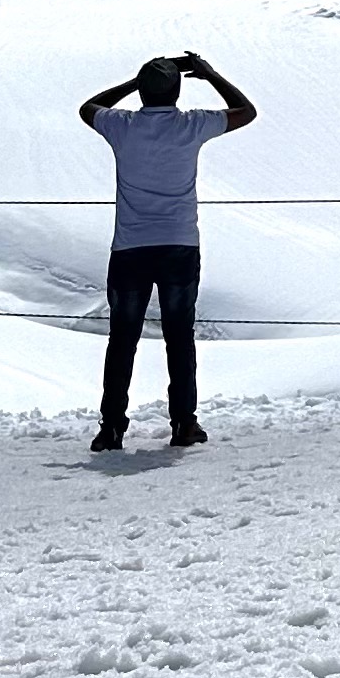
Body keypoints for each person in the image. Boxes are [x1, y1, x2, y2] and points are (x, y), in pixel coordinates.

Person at [77, 49, 256, 452]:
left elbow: (89, 108)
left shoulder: (122, 126)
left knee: (122, 339)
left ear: (143, 92)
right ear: (177, 92)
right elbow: (246, 112)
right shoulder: (192, 125)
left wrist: (133, 82)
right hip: (179, 245)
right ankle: (184, 423)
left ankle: (112, 428)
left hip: (130, 248)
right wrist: (210, 74)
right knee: (179, 337)